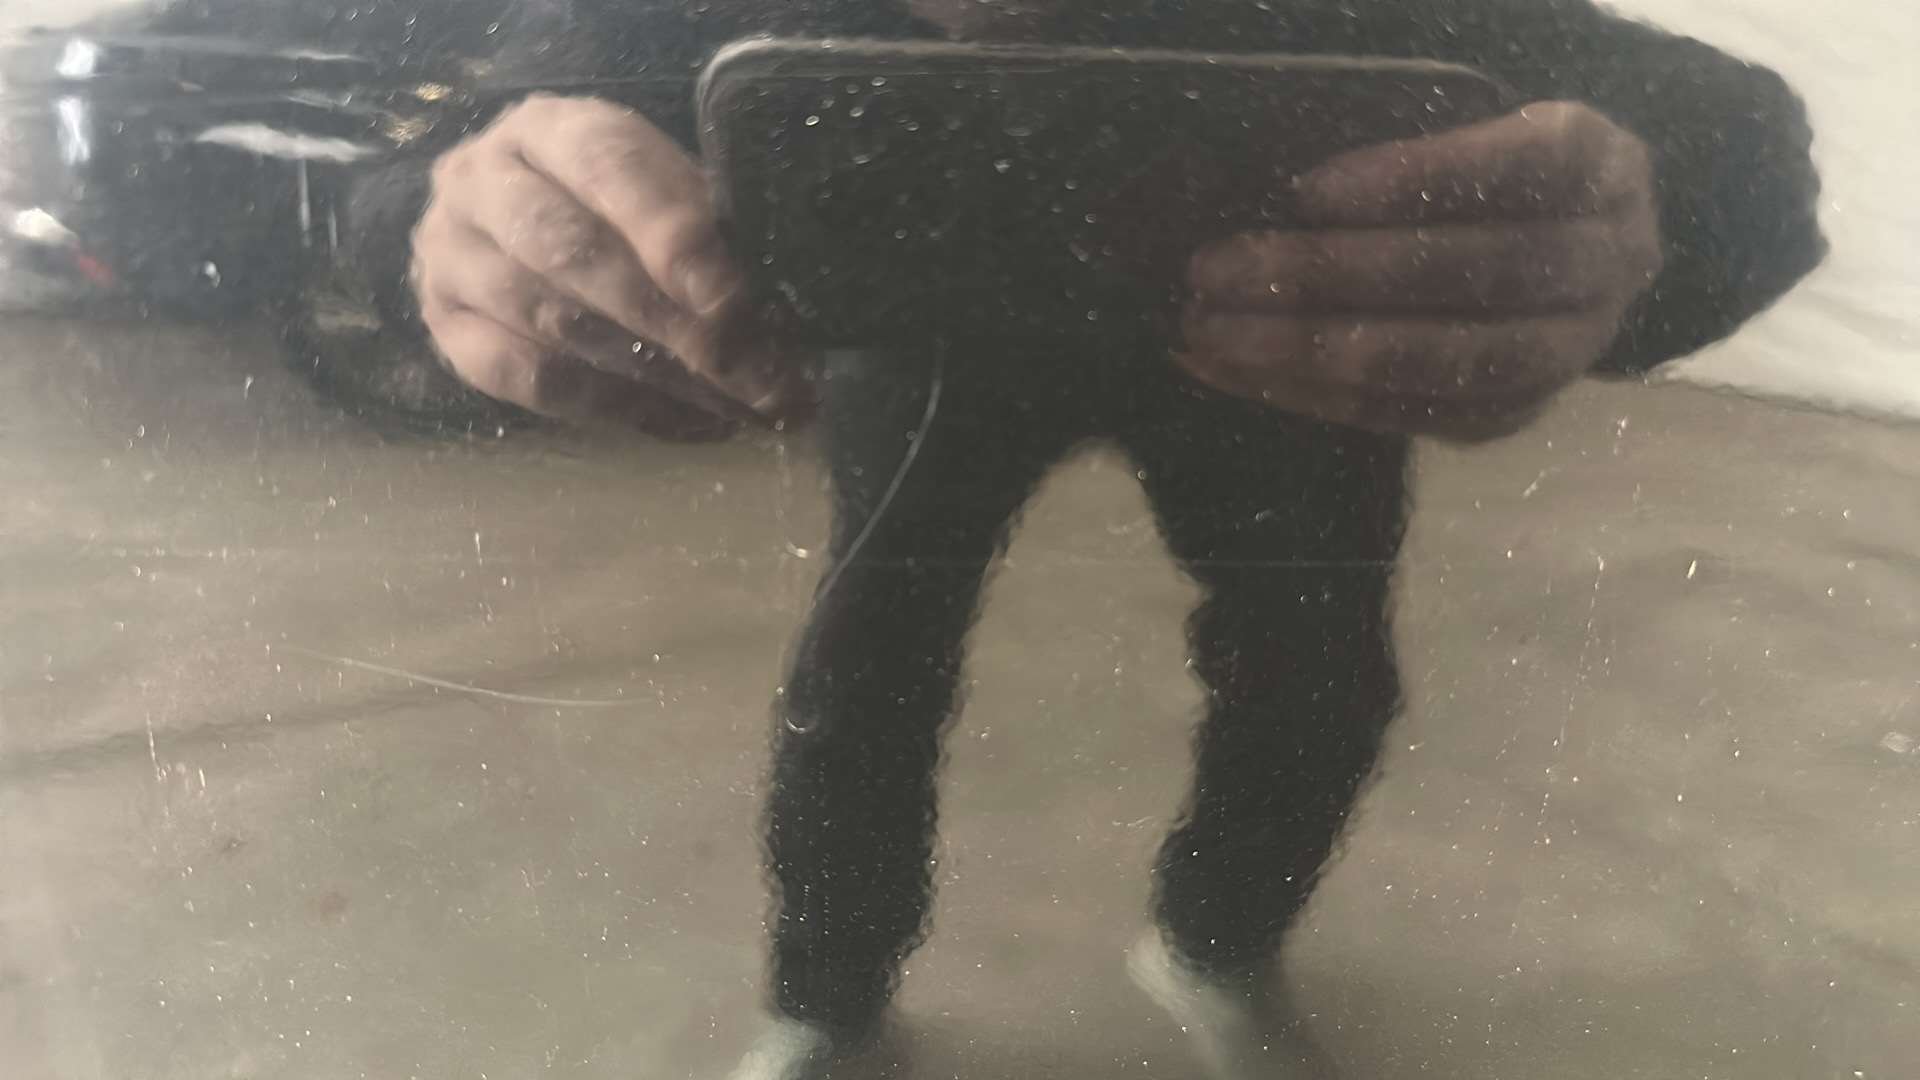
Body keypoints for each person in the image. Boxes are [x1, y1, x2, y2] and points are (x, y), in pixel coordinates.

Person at [163, 1, 1826, 1077]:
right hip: (1017, 331)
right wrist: (442, 222)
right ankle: (835, 996)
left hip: (1240, 336)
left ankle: (1208, 943)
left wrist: (1650, 214)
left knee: (1311, 671)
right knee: (870, 676)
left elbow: (1724, 134)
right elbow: (481, 120)